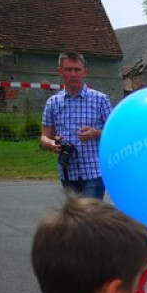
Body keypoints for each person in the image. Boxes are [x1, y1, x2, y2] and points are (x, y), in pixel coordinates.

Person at [40, 51, 113, 199]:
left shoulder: (100, 100)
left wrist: (94, 133)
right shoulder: (52, 103)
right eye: (68, 70)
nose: (73, 74)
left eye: (77, 70)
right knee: (75, 219)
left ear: (84, 72)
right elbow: (44, 138)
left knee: (89, 219)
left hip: (94, 171)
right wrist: (52, 143)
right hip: (67, 171)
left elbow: (114, 134)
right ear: (60, 71)